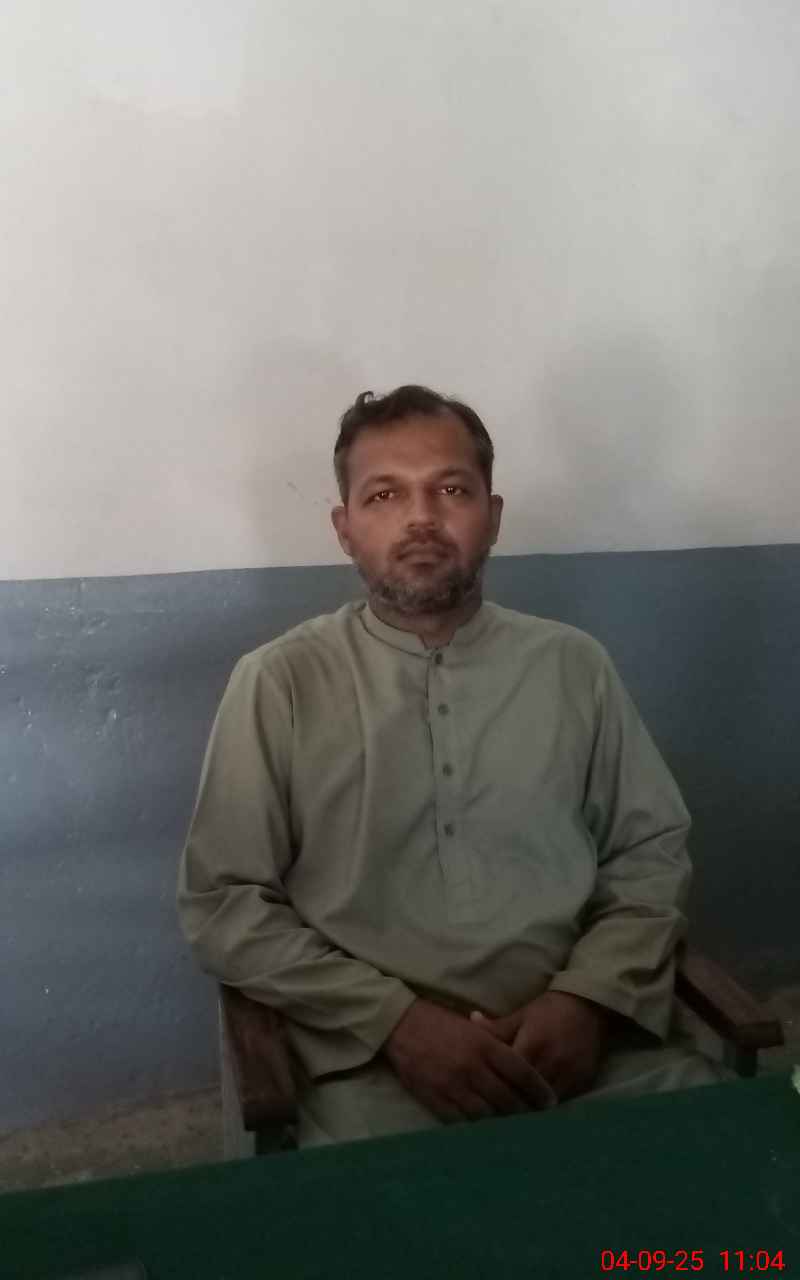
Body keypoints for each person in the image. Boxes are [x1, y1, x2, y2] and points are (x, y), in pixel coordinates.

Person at [177, 383, 727, 1147]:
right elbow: (224, 902)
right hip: (366, 1076)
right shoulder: (279, 682)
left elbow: (649, 853)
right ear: (344, 529)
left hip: (590, 1054)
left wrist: (588, 1000)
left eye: (452, 490)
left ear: (492, 517)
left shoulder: (574, 667)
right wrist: (397, 1024)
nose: (422, 519)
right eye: (384, 495)